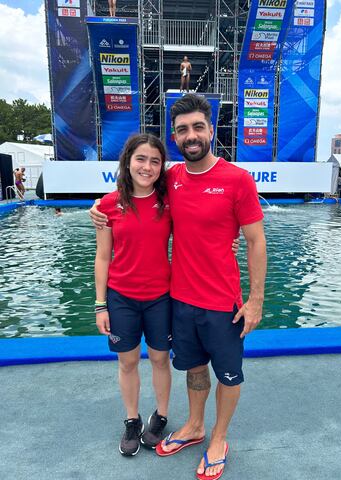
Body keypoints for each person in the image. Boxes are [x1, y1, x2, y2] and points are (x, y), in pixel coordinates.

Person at [90, 94, 267, 480]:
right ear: (175, 136)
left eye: (198, 127)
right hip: (180, 299)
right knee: (195, 369)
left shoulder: (238, 180)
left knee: (229, 374)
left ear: (211, 129)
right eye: (183, 129)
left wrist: (256, 300)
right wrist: (96, 209)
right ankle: (195, 425)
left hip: (224, 302)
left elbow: (255, 241)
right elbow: (130, 195)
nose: (191, 135)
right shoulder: (171, 179)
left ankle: (218, 437)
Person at [95, 133, 172, 457]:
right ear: (128, 162)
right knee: (127, 361)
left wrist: (231, 241)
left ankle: (161, 416)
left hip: (160, 297)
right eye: (141, 159)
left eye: (155, 161)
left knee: (159, 358)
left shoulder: (169, 202)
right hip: (121, 297)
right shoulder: (108, 205)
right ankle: (132, 419)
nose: (148, 166)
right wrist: (100, 304)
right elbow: (102, 256)